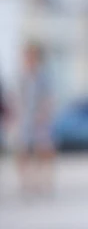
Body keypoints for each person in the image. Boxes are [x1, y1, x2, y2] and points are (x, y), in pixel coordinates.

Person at [15, 42, 55, 195]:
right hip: (25, 119)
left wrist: (44, 114)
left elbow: (48, 98)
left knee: (44, 150)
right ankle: (26, 181)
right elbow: (17, 98)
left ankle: (43, 180)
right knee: (23, 150)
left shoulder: (43, 76)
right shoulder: (22, 76)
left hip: (41, 119)